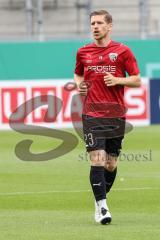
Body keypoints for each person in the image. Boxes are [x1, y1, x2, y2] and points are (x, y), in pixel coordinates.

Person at [74, 10, 141, 225]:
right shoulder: (83, 51)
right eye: (92, 23)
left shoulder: (122, 51)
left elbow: (137, 80)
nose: (95, 27)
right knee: (98, 158)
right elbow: (78, 74)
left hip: (116, 115)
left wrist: (118, 80)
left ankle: (98, 201)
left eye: (99, 23)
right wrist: (79, 85)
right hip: (92, 113)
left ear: (109, 26)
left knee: (111, 165)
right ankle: (103, 208)